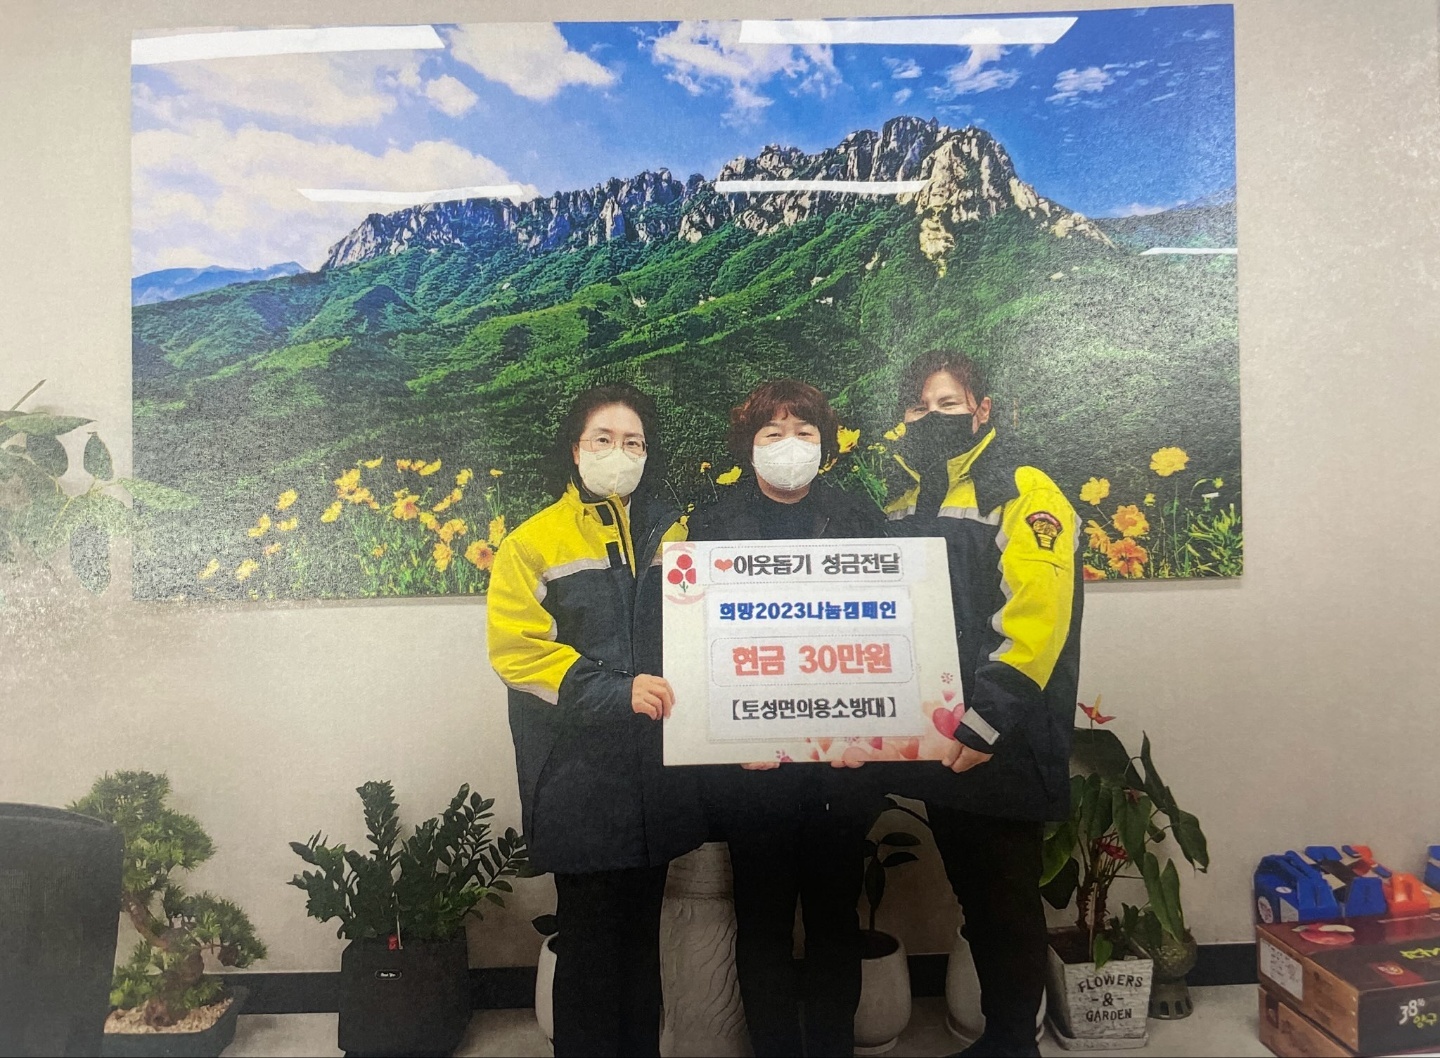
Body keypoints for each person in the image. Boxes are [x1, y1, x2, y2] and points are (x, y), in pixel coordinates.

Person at [486, 383, 703, 1058]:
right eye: (603, 440)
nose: (619, 453)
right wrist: (615, 693)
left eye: (633, 442)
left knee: (641, 947)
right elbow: (518, 654)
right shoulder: (531, 543)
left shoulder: (674, 532)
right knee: (589, 949)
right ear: (575, 450)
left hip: (653, 782)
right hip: (579, 782)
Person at [884, 350, 1083, 1058]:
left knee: (1006, 904)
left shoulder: (1020, 488)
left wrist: (986, 720)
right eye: (920, 407)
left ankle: (1014, 1045)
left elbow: (1036, 621)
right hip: (945, 738)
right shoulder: (905, 499)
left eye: (948, 404)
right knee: (976, 898)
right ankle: (1001, 1040)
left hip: (1002, 735)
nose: (933, 418)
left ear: (982, 409)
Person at [688, 378, 887, 1058]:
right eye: (772, 433)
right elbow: (697, 643)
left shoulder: (859, 516)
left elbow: (888, 631)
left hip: (843, 766)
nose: (789, 445)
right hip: (753, 769)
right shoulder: (711, 525)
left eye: (804, 432)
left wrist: (871, 729)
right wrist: (727, 735)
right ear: (748, 446)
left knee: (835, 920)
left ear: (825, 445)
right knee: (763, 923)